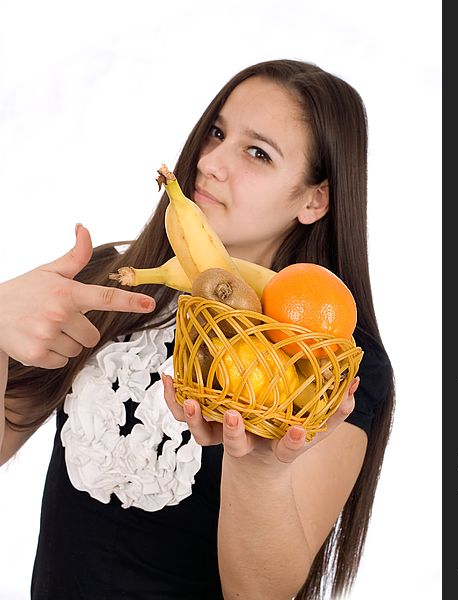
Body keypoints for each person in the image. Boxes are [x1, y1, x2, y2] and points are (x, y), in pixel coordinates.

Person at [0, 59, 394, 599]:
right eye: (216, 132)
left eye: (258, 153)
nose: (210, 162)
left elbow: (260, 594)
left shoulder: (330, 361)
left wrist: (258, 469)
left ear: (314, 199)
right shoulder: (112, 281)